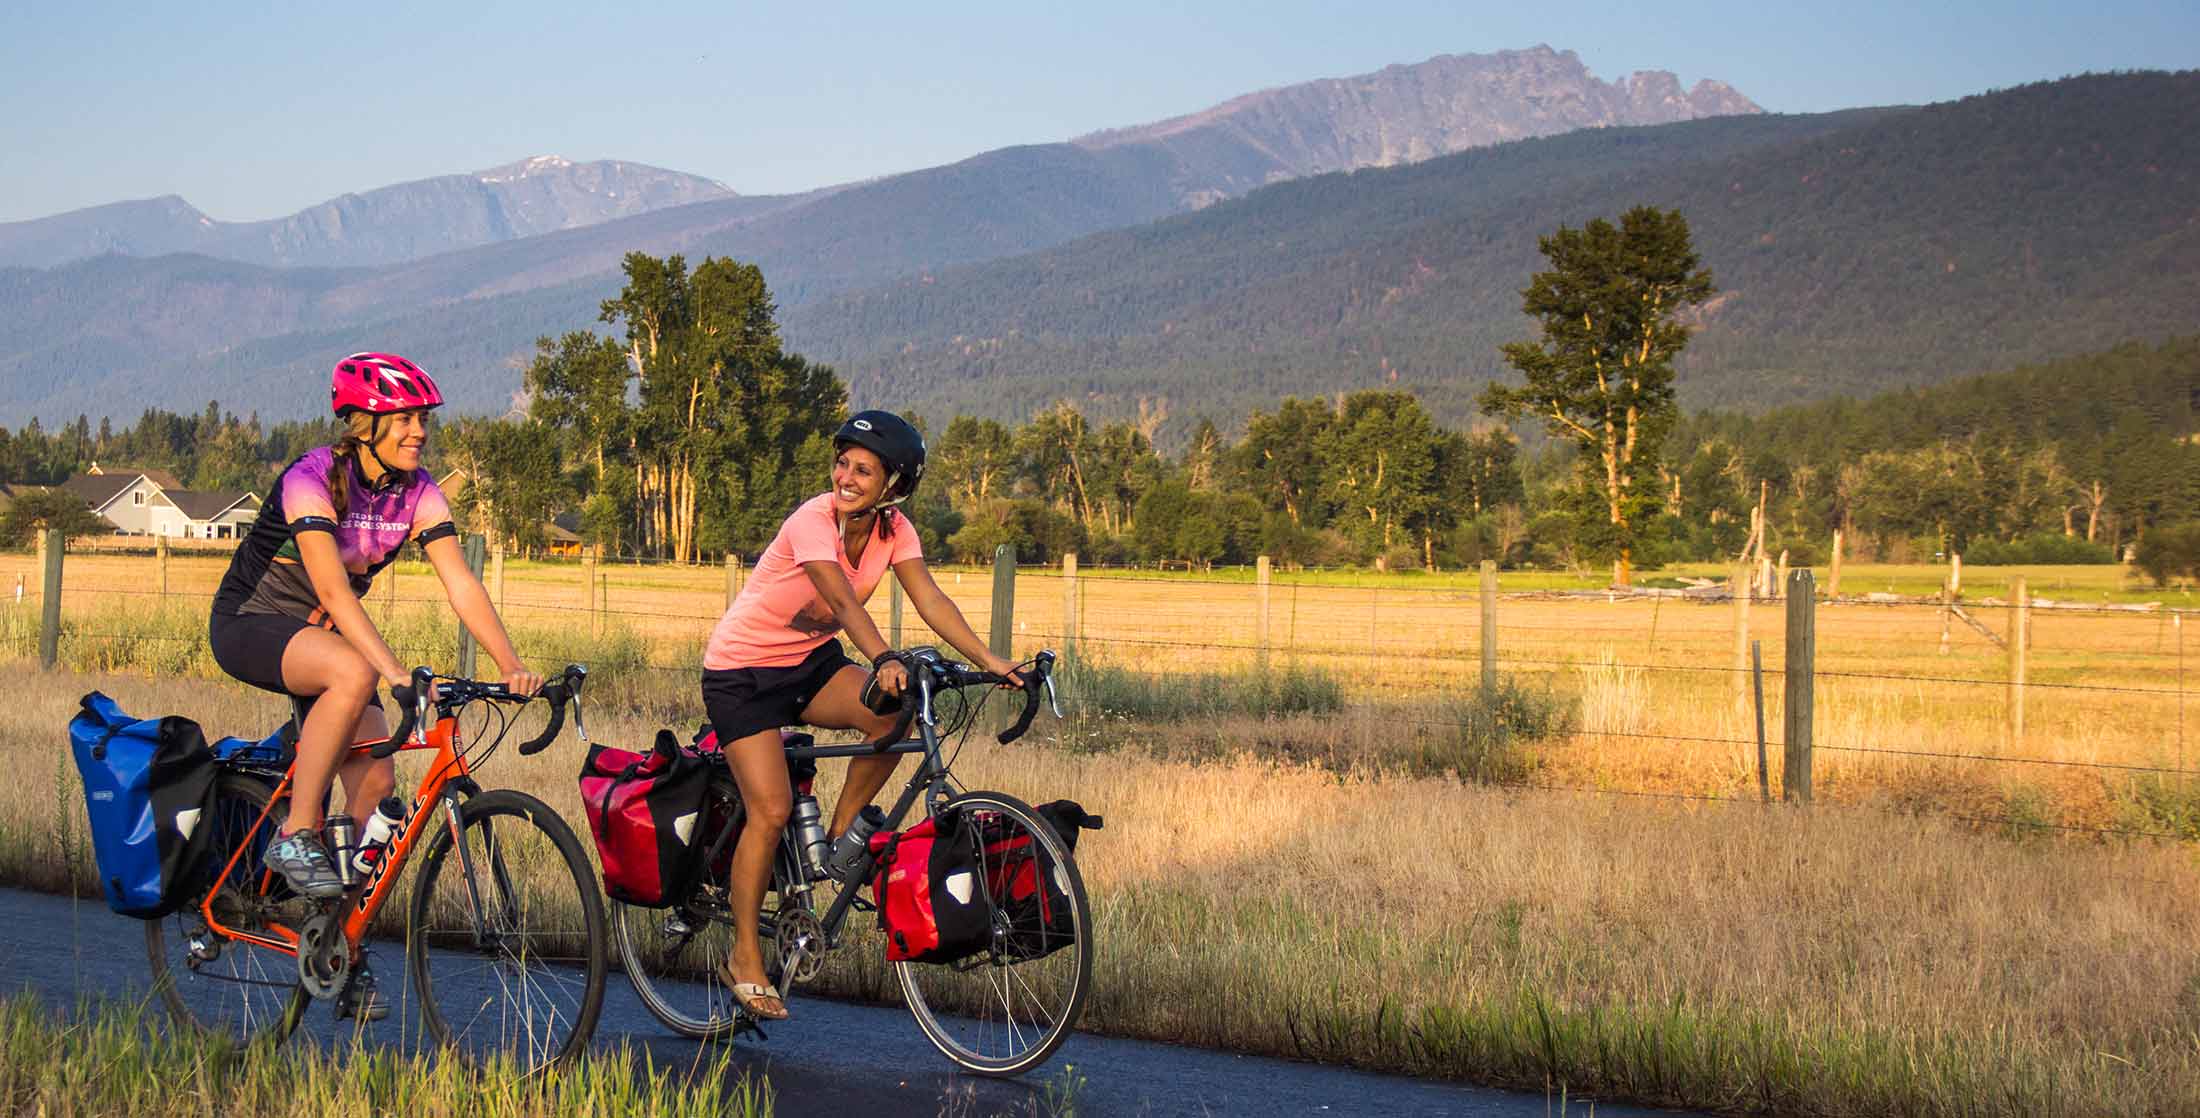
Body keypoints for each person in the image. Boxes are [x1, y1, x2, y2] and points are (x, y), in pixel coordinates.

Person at [208, 352, 541, 1018]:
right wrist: (393, 675)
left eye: (424, 419)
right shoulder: (311, 478)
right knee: (354, 673)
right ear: (364, 424)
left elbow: (461, 582)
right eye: (407, 418)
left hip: (324, 638)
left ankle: (341, 947)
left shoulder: (418, 491)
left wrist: (510, 664)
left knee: (379, 787)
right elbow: (332, 586)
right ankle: (296, 833)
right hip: (251, 623)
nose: (421, 430)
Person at [700, 410, 1021, 1021]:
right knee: (768, 810)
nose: (846, 476)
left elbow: (928, 597)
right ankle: (744, 956)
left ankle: (843, 829)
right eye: (842, 462)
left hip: (808, 665)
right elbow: (842, 599)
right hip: (741, 675)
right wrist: (882, 657)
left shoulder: (895, 531)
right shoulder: (812, 520)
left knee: (890, 713)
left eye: (863, 469)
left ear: (893, 484)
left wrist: (989, 658)